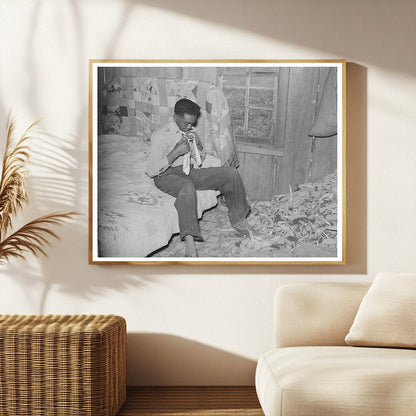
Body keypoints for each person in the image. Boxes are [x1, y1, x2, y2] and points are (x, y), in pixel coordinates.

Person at [146, 98, 253, 257]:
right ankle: (190, 243)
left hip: (188, 172)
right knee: (187, 187)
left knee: (230, 173)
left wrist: (199, 148)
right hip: (165, 175)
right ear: (175, 117)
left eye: (192, 123)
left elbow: (199, 159)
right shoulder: (161, 136)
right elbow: (151, 170)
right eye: (186, 123)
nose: (190, 126)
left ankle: (239, 220)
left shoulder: (190, 131)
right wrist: (175, 152)